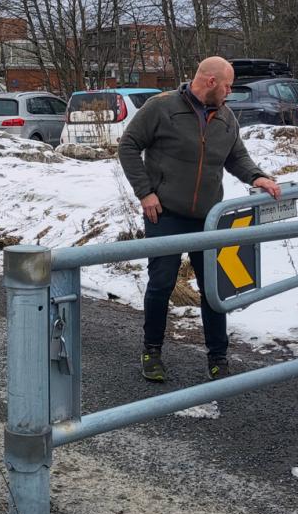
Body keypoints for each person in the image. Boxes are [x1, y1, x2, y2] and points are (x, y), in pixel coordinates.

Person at [118, 56, 281, 383]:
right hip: (164, 214)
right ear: (210, 82)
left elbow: (237, 156)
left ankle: (218, 358)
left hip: (207, 218)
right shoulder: (161, 108)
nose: (229, 92)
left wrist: (257, 177)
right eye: (227, 85)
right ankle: (152, 351)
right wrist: (145, 192)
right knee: (162, 284)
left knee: (212, 289)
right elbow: (129, 145)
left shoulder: (226, 117)